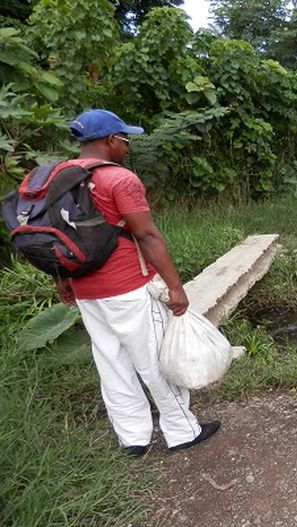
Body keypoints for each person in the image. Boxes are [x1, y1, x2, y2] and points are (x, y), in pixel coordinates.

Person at [56, 109, 220, 457]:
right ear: (111, 140)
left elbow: (57, 236)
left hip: (86, 290)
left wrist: (64, 279)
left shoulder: (60, 177)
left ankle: (133, 438)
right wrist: (176, 287)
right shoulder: (120, 179)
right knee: (155, 361)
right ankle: (182, 431)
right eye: (125, 140)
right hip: (128, 288)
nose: (127, 147)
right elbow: (146, 235)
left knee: (111, 364)